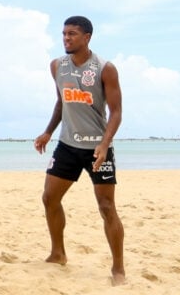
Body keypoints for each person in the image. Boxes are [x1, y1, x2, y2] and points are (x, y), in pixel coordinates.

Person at [33, 15, 125, 286]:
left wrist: (105, 144)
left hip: (97, 147)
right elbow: (61, 102)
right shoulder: (57, 66)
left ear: (87, 37)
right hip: (67, 145)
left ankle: (118, 269)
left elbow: (117, 112)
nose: (66, 38)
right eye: (63, 34)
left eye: (72, 34)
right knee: (49, 198)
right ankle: (58, 253)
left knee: (107, 207)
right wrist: (48, 131)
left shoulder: (104, 68)